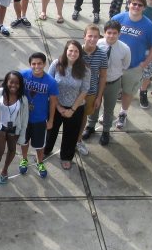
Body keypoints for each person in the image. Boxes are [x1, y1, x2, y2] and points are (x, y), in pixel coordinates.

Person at [111, 0, 152, 130]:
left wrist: (145, 63)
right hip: (114, 66)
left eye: (140, 5)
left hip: (134, 67)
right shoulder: (117, 19)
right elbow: (107, 38)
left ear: (144, 8)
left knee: (128, 92)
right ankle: (108, 113)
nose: (136, 7)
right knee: (111, 92)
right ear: (128, 4)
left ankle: (123, 113)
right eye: (134, 4)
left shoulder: (149, 26)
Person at [44, 41, 90, 169]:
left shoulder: (85, 69)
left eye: (76, 51)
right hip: (55, 105)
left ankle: (66, 157)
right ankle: (46, 150)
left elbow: (84, 90)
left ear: (80, 53)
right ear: (66, 51)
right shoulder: (56, 64)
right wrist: (58, 107)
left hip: (75, 107)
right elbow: (49, 85)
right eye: (70, 50)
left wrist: (72, 110)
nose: (73, 53)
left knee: (71, 134)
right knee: (50, 130)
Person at [86, 20, 131, 145]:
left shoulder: (125, 49)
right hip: (96, 81)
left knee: (109, 108)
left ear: (119, 34)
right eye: (109, 33)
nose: (111, 36)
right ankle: (90, 126)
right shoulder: (97, 44)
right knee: (94, 105)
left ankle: (106, 131)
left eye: (115, 33)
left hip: (113, 82)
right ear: (104, 33)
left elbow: (125, 65)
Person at [19, 52, 59, 178]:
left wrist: (51, 120)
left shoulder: (51, 82)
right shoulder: (22, 75)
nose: (37, 66)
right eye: (34, 64)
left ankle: (40, 162)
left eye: (40, 63)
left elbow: (53, 103)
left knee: (39, 145)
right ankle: (24, 159)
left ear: (45, 64)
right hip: (24, 118)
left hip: (40, 119)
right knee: (24, 141)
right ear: (30, 64)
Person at [0, 70, 29, 186]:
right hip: (0, 127)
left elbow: (24, 119)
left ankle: (5, 170)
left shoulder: (23, 99)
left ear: (20, 84)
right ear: (6, 82)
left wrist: (22, 135)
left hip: (14, 129)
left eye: (17, 83)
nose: (13, 85)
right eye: (11, 82)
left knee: (12, 150)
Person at [75, 24, 107, 156]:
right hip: (74, 93)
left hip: (91, 93)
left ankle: (78, 140)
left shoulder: (102, 55)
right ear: (84, 37)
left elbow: (103, 76)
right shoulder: (75, 52)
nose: (92, 39)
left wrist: (99, 97)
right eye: (90, 36)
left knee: (83, 117)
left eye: (95, 37)